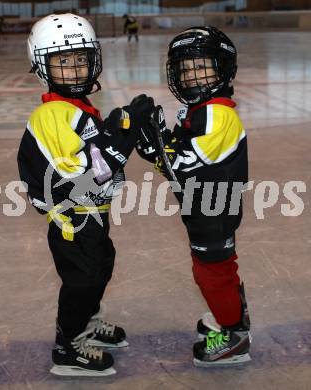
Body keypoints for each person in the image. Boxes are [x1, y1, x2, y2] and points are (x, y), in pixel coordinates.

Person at [17, 13, 154, 376]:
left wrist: (120, 122)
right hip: (72, 221)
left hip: (90, 216)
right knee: (83, 279)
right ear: (42, 66)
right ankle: (68, 346)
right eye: (63, 61)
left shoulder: (76, 108)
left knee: (100, 268)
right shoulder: (52, 116)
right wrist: (124, 137)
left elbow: (93, 148)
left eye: (81, 59)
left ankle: (87, 323)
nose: (75, 69)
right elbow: (85, 176)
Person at [136, 26, 251, 367]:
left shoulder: (218, 114)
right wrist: (160, 138)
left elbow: (184, 162)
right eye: (185, 69)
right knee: (218, 269)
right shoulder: (202, 110)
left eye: (201, 67)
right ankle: (231, 313)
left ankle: (233, 336)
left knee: (212, 273)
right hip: (203, 203)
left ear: (223, 68)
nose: (191, 76)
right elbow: (181, 158)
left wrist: (151, 143)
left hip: (213, 209)